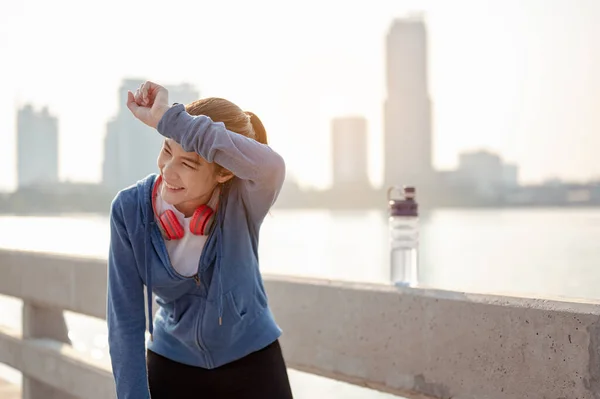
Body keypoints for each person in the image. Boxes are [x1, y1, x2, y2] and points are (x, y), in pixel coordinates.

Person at [106, 81, 293, 398]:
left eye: (188, 163)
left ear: (224, 173)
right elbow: (125, 319)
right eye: (167, 149)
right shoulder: (129, 211)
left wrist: (170, 118)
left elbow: (270, 166)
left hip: (253, 360)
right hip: (171, 362)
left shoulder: (243, 199)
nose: (168, 171)